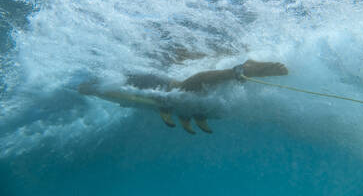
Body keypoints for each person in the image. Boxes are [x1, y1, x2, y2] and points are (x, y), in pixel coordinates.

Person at [79, 59, 288, 134]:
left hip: (148, 80)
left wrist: (88, 88)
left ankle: (238, 70)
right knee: (187, 93)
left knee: (181, 91)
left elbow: (109, 90)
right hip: (146, 78)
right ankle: (235, 72)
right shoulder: (114, 71)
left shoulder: (109, 74)